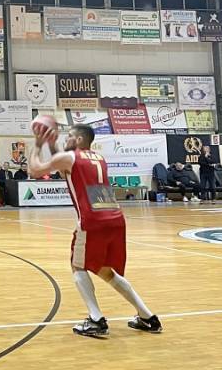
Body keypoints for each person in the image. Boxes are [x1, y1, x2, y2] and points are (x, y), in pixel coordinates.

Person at [28, 124, 161, 337]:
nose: (66, 139)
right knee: (105, 270)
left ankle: (96, 319)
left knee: (77, 266)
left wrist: (37, 143)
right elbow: (64, 168)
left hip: (93, 221)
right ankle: (147, 317)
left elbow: (34, 170)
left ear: (79, 140)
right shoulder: (99, 158)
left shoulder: (70, 157)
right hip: (115, 218)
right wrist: (53, 146)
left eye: (70, 136)